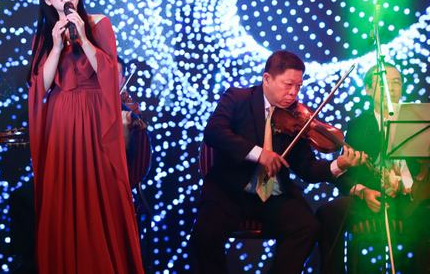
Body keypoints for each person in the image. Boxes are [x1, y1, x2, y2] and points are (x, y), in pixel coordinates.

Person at [190, 50, 365, 274]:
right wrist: (259, 154)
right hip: (230, 191)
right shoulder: (237, 97)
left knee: (307, 227)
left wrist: (338, 165)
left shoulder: (297, 117)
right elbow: (214, 132)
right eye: (288, 84)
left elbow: (307, 168)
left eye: (298, 86)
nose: (293, 93)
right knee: (204, 236)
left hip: (273, 195)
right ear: (267, 79)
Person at [27, 0, 143, 273]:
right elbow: (41, 86)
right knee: (65, 196)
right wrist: (56, 46)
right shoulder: (46, 35)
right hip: (61, 121)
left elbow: (109, 73)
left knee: (101, 191)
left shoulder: (98, 22)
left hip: (95, 117)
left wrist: (83, 37)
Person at [317, 63, 430, 273]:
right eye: (384, 83)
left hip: (412, 198)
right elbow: (343, 176)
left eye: (397, 82)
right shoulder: (358, 125)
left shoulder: (419, 120)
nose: (392, 88)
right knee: (328, 213)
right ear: (368, 90)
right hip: (372, 197)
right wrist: (363, 191)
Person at [117, 57, 151, 189]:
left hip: (123, 171)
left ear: (123, 80)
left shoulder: (130, 108)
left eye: (116, 74)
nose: (110, 78)